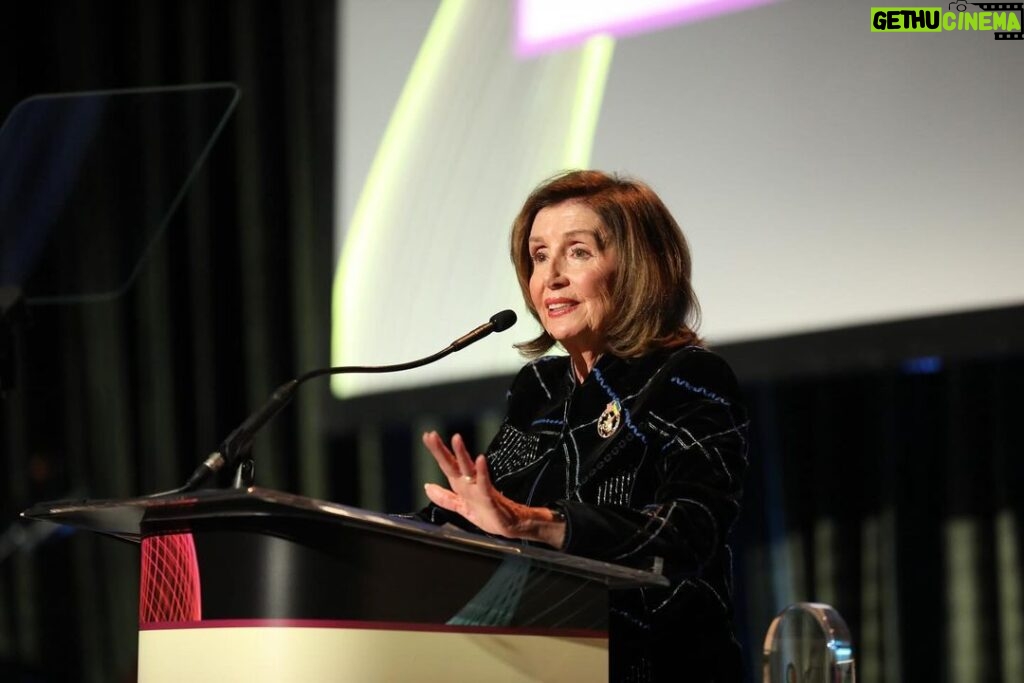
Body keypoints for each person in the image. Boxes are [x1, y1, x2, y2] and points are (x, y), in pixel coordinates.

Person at [418, 170, 748, 682]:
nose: (551, 277)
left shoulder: (688, 377)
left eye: (578, 252)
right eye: (539, 255)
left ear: (639, 267)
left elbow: (690, 531)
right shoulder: (540, 390)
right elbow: (491, 510)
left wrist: (535, 524)